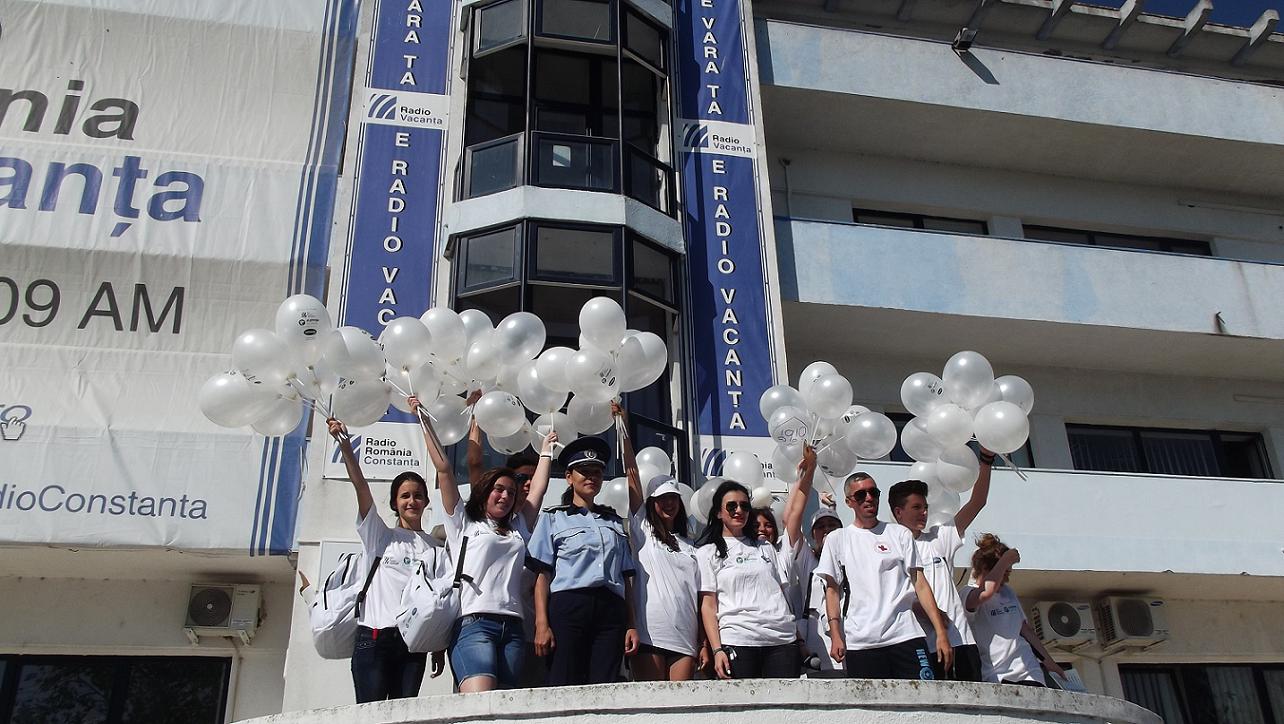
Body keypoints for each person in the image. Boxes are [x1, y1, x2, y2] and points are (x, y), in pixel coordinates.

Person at [409, 396, 554, 693]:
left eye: (511, 492)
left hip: (514, 628)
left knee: (503, 706)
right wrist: (423, 419)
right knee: (479, 703)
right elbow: (444, 469)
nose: (505, 496)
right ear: (485, 491)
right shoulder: (463, 523)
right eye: (498, 489)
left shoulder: (518, 528)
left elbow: (538, 489)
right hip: (473, 624)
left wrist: (546, 451)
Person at [328, 417, 447, 703]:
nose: (412, 501)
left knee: (404, 716)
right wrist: (345, 446)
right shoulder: (380, 536)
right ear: (395, 503)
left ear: (426, 502)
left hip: (413, 643)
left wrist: (438, 645)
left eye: (418, 496)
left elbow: (441, 601)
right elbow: (361, 488)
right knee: (370, 716)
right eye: (405, 496)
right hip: (374, 638)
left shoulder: (436, 548)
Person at [816, 472, 953, 680]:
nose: (869, 498)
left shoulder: (899, 533)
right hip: (861, 642)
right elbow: (832, 591)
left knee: (922, 696)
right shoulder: (837, 539)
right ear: (849, 502)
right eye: (861, 495)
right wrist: (835, 634)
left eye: (874, 492)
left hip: (905, 635)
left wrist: (941, 632)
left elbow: (920, 583)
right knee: (871, 702)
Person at [526, 436, 639, 685]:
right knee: (563, 679)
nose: (591, 477)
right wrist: (541, 623)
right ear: (569, 477)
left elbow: (625, 578)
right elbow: (542, 576)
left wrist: (631, 624)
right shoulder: (553, 518)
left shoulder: (613, 521)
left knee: (606, 682)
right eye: (584, 472)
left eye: (597, 472)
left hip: (610, 609)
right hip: (569, 605)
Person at [888, 448, 995, 681]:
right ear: (898, 512)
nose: (924, 513)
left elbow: (978, 502)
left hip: (961, 641)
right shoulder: (888, 554)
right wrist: (925, 610)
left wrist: (986, 460)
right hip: (920, 646)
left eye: (925, 507)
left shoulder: (939, 538)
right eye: (916, 507)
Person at [615, 404, 702, 681]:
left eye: (673, 498)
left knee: (681, 704)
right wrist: (623, 429)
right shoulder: (642, 529)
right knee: (651, 702)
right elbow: (631, 474)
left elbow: (700, 598)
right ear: (651, 503)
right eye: (662, 498)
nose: (669, 503)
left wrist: (703, 641)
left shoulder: (691, 547)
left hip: (686, 636)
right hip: (650, 632)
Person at [696, 480, 800, 680]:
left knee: (785, 701)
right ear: (718, 513)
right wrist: (717, 650)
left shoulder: (765, 547)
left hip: (782, 639)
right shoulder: (708, 553)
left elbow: (782, 594)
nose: (739, 511)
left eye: (744, 506)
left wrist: (799, 639)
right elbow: (708, 606)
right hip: (738, 638)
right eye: (731, 506)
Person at [962, 533, 1067, 685]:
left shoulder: (1007, 592)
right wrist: (1005, 560)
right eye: (1004, 572)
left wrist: (1049, 661)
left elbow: (1025, 630)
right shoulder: (967, 593)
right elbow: (986, 592)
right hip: (997, 674)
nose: (1006, 578)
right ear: (985, 568)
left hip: (1028, 670)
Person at [782, 446, 845, 677]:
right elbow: (791, 520)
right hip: (820, 643)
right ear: (813, 534)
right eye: (821, 527)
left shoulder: (853, 556)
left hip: (857, 636)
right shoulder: (809, 560)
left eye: (832, 525)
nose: (827, 530)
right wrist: (806, 474)